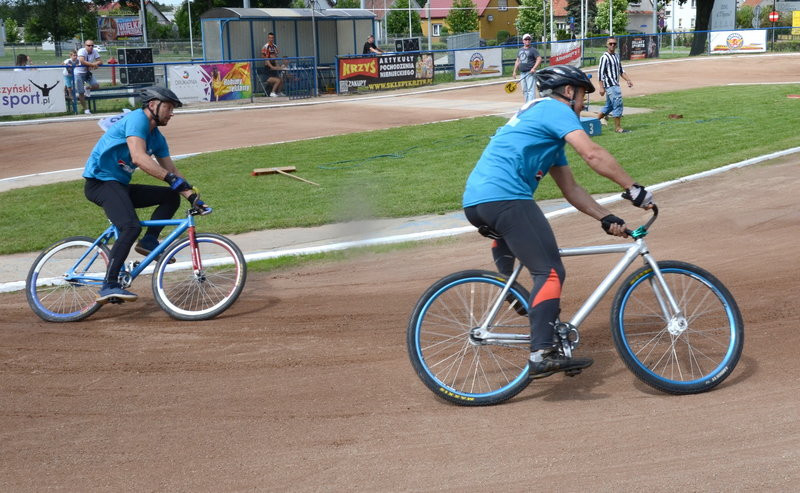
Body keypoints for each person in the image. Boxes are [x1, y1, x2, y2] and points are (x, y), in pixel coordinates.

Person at [462, 65, 654, 379]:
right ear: (568, 92)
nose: (583, 105)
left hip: (480, 201)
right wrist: (633, 188)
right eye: (582, 97)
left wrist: (604, 217)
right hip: (506, 198)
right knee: (550, 271)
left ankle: (515, 291)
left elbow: (571, 188)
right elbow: (592, 154)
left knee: (534, 254)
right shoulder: (555, 109)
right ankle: (541, 352)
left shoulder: (541, 121)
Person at [82, 86, 211, 303]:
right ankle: (109, 285)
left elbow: (173, 171)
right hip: (99, 183)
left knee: (170, 196)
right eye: (169, 107)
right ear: (152, 105)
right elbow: (139, 158)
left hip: (119, 186)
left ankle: (149, 242)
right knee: (130, 226)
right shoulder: (137, 119)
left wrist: (191, 196)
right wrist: (171, 179)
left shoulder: (158, 138)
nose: (172, 113)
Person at [596, 37, 634, 133]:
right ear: (607, 44)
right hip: (610, 85)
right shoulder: (604, 57)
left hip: (615, 84)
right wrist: (601, 87)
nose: (613, 45)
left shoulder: (616, 56)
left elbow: (621, 70)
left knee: (609, 107)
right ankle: (618, 128)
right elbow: (600, 73)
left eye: (614, 44)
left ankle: (592, 123)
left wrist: (628, 80)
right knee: (618, 105)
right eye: (610, 43)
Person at [511, 34, 542, 103]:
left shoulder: (533, 50)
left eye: (529, 39)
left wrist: (534, 68)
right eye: (526, 39)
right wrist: (514, 71)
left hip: (530, 73)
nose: (527, 41)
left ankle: (530, 105)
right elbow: (517, 61)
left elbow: (539, 59)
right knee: (524, 90)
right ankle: (526, 104)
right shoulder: (520, 50)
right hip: (522, 73)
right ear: (523, 41)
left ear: (530, 41)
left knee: (530, 90)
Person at [76, 40, 103, 114]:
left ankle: (87, 88)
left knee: (96, 86)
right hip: (79, 73)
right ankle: (86, 109)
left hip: (87, 73)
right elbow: (82, 61)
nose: (91, 47)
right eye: (88, 45)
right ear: (85, 45)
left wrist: (94, 64)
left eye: (92, 45)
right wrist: (93, 65)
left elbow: (100, 61)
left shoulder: (94, 51)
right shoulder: (81, 51)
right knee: (81, 93)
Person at [261, 32, 285, 97]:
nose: (271, 39)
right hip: (268, 71)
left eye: (272, 38)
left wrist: (279, 66)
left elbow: (276, 59)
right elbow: (265, 59)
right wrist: (275, 67)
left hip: (273, 70)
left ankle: (279, 92)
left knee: (281, 80)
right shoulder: (265, 47)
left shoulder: (275, 47)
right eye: (269, 38)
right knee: (278, 80)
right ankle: (272, 93)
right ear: (268, 38)